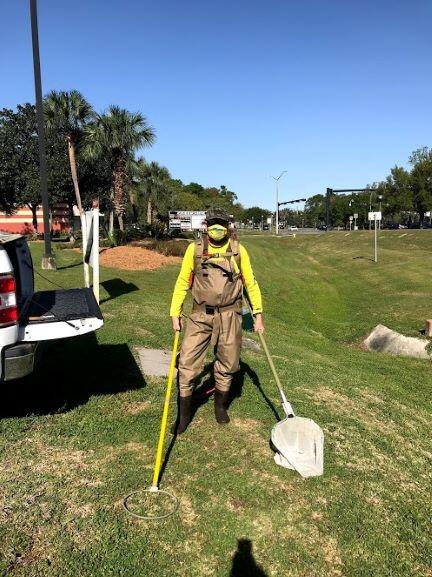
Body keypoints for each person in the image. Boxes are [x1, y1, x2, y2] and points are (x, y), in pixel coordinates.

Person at [170, 207, 264, 434]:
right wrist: (175, 312)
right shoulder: (194, 249)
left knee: (229, 363)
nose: (217, 228)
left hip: (231, 315)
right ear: (206, 225)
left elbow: (250, 283)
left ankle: (220, 406)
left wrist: (258, 315)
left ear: (228, 227)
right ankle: (183, 415)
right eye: (213, 223)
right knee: (187, 362)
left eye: (221, 224)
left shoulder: (238, 250)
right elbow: (183, 280)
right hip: (199, 316)